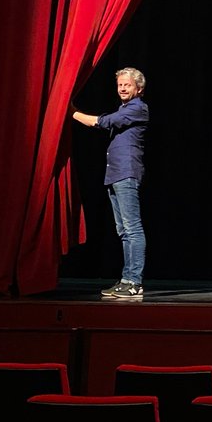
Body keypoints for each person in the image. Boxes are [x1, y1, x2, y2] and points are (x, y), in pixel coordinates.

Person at [71, 67, 149, 300]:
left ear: (139, 89)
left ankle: (134, 282)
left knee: (132, 228)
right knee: (124, 230)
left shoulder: (138, 108)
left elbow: (102, 122)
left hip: (126, 173)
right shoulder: (126, 108)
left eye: (127, 85)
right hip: (115, 174)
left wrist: (71, 112)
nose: (123, 88)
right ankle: (127, 279)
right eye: (120, 85)